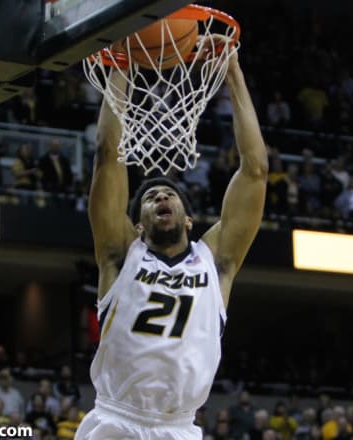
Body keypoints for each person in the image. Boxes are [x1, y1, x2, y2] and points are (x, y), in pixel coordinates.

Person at [75, 46, 267, 439]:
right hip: (115, 420)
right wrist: (121, 66)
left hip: (178, 428)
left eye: (168, 195)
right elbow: (107, 155)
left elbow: (256, 170)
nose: (161, 198)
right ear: (138, 226)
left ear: (190, 219)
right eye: (149, 198)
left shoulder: (215, 262)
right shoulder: (120, 254)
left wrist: (232, 72)